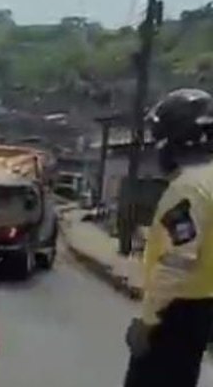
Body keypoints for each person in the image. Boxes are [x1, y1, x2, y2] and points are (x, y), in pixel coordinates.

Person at [124, 89, 213, 387]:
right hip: (202, 309)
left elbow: (178, 261)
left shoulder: (188, 189)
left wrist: (148, 323)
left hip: (174, 313)